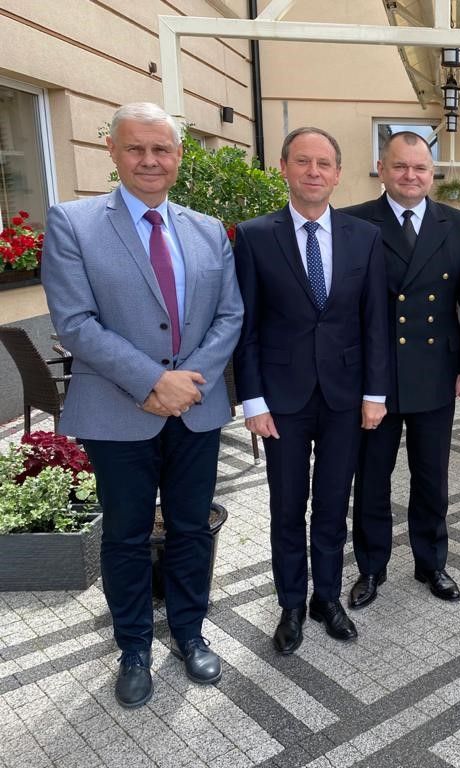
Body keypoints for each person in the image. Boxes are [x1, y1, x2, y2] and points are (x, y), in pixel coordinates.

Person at [41, 102, 243, 708]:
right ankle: (133, 645)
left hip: (197, 408)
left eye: (162, 149)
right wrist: (153, 382)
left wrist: (190, 380)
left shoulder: (208, 229)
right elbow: (75, 323)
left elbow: (230, 314)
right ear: (113, 151)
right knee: (127, 535)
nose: (150, 160)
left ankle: (188, 631)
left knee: (191, 527)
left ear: (180, 157)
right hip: (116, 409)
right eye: (137, 148)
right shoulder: (73, 222)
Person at [233, 127, 388, 655]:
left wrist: (376, 393)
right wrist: (252, 401)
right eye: (303, 162)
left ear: (338, 173)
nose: (314, 172)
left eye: (324, 163)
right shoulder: (254, 236)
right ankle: (292, 603)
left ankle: (326, 597)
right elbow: (245, 324)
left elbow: (375, 323)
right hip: (282, 401)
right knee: (286, 506)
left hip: (345, 396)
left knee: (330, 504)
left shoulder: (363, 237)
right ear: (283, 167)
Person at [342, 132, 460, 608]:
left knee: (431, 476)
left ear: (432, 173)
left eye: (420, 168)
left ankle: (431, 563)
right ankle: (371, 568)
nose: (411, 176)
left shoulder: (458, 224)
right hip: (376, 378)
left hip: (434, 370)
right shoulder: (354, 221)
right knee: (372, 477)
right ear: (382, 168)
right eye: (401, 167)